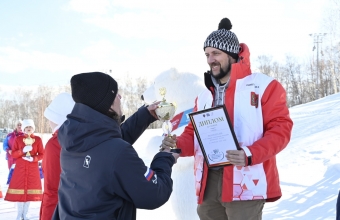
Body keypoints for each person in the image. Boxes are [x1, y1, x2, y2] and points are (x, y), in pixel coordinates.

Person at [161, 18, 294, 220]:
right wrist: (176, 143)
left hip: (245, 179)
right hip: (209, 180)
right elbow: (194, 135)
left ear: (232, 54)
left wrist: (250, 153)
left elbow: (281, 130)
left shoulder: (264, 86)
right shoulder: (204, 96)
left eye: (216, 53)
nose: (210, 59)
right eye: (207, 54)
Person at [52, 72, 179, 220]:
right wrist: (165, 158)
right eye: (116, 94)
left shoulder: (74, 140)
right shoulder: (116, 153)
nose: (120, 97)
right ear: (108, 105)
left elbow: (106, 146)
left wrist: (145, 116)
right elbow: (154, 193)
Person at [39, 93, 75, 220]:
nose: (49, 122)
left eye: (50, 118)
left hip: (58, 211)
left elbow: (52, 189)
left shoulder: (55, 144)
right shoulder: (81, 138)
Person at [5, 119, 44, 220]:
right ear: (23, 129)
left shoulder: (38, 140)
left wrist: (33, 158)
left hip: (32, 168)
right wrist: (22, 151)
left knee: (29, 193)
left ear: (33, 128)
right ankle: (19, 214)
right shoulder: (18, 140)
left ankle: (25, 214)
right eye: (26, 128)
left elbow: (42, 154)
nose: (28, 129)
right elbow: (13, 153)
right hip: (20, 168)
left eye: (30, 127)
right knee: (20, 192)